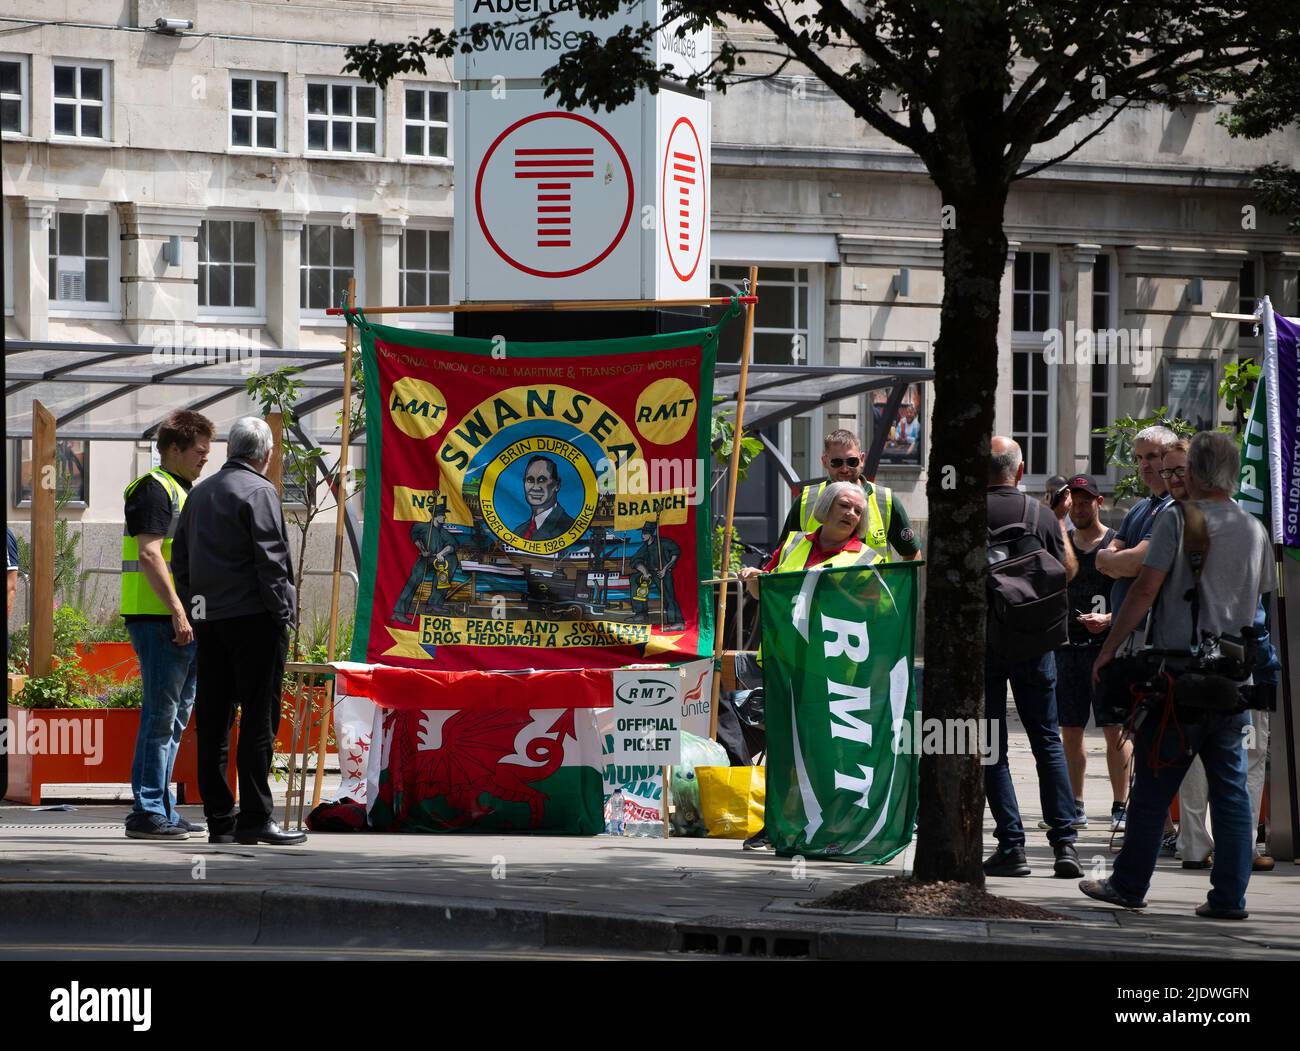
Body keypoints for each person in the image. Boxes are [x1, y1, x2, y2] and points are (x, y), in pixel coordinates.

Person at [1085, 431, 1274, 919]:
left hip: (1178, 678)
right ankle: (1229, 897)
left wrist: (1109, 650)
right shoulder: (1253, 528)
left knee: (1152, 785)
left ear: (1193, 472)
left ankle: (1129, 885)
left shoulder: (1180, 518)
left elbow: (1145, 590)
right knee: (1231, 793)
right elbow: (1256, 607)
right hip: (1231, 681)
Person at [173, 416, 304, 846]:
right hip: (255, 621)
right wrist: (282, 613)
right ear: (265, 454)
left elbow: (182, 561)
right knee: (258, 720)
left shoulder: (200, 494)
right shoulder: (261, 491)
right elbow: (271, 561)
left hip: (210, 621)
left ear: (231, 450)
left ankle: (219, 820)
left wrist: (196, 609)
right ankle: (255, 819)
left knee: (213, 719)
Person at [737, 481, 884, 852]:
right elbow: (763, 593)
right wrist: (754, 579)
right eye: (845, 506)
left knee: (825, 751)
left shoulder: (867, 558)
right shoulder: (794, 543)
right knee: (782, 747)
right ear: (826, 507)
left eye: (857, 511)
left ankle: (830, 828)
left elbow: (879, 611)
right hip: (785, 661)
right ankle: (778, 824)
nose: (851, 514)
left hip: (833, 669)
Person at [983, 437, 1081, 879]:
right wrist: (1057, 523)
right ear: (1019, 472)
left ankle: (1012, 846)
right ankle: (1065, 846)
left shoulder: (967, 514)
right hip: (1036, 643)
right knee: (1047, 741)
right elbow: (1069, 571)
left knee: (991, 747)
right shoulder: (1039, 514)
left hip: (985, 644)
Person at [119, 410, 214, 842]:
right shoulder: (154, 490)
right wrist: (178, 610)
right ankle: (148, 810)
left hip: (177, 617)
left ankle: (161, 808)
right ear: (174, 449)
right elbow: (150, 554)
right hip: (161, 618)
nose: (205, 457)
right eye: (198, 450)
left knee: (173, 718)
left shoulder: (180, 489)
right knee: (162, 716)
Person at [1095, 425, 1177, 839]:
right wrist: (1118, 558)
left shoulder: (1172, 511)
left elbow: (1133, 563)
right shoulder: (1140, 508)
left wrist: (1118, 559)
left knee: (1152, 734)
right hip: (1129, 637)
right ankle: (1152, 823)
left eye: (1153, 457)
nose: (1145, 465)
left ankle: (1163, 826)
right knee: (1130, 729)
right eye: (1140, 457)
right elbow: (1108, 553)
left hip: (1153, 637)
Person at [1049, 473, 1123, 831]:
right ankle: (1075, 803)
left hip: (1105, 650)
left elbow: (1134, 594)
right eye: (1073, 502)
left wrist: (1109, 619)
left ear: (1099, 502)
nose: (1079, 508)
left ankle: (1120, 805)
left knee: (1114, 729)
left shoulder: (1114, 543)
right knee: (1071, 730)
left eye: (1085, 501)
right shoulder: (1061, 543)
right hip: (1068, 650)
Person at [777, 428, 921, 562]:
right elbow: (783, 555)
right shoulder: (806, 501)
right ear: (825, 462)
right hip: (819, 589)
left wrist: (897, 588)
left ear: (862, 459)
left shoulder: (886, 500)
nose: (845, 469)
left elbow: (912, 554)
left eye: (852, 461)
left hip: (872, 589)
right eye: (837, 462)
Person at [393, 504, 458, 620]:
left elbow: (452, 546)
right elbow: (415, 537)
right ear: (436, 516)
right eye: (442, 515)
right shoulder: (422, 527)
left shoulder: (444, 533)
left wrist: (441, 554)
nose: (444, 518)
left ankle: (434, 604)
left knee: (446, 571)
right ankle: (399, 612)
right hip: (425, 558)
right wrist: (422, 550)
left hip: (438, 560)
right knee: (413, 581)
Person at [629, 523, 683, 630]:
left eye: (645, 533)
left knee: (668, 594)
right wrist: (644, 572)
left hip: (663, 572)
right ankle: (641, 613)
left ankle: (677, 622)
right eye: (642, 533)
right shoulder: (645, 547)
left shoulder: (663, 542)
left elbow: (676, 552)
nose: (642, 536)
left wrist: (665, 569)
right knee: (635, 579)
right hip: (650, 573)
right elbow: (635, 560)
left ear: (650, 534)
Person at [514, 455, 575, 541]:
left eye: (542, 480)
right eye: (530, 480)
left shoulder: (570, 528)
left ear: (557, 485)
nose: (535, 487)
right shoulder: (518, 532)